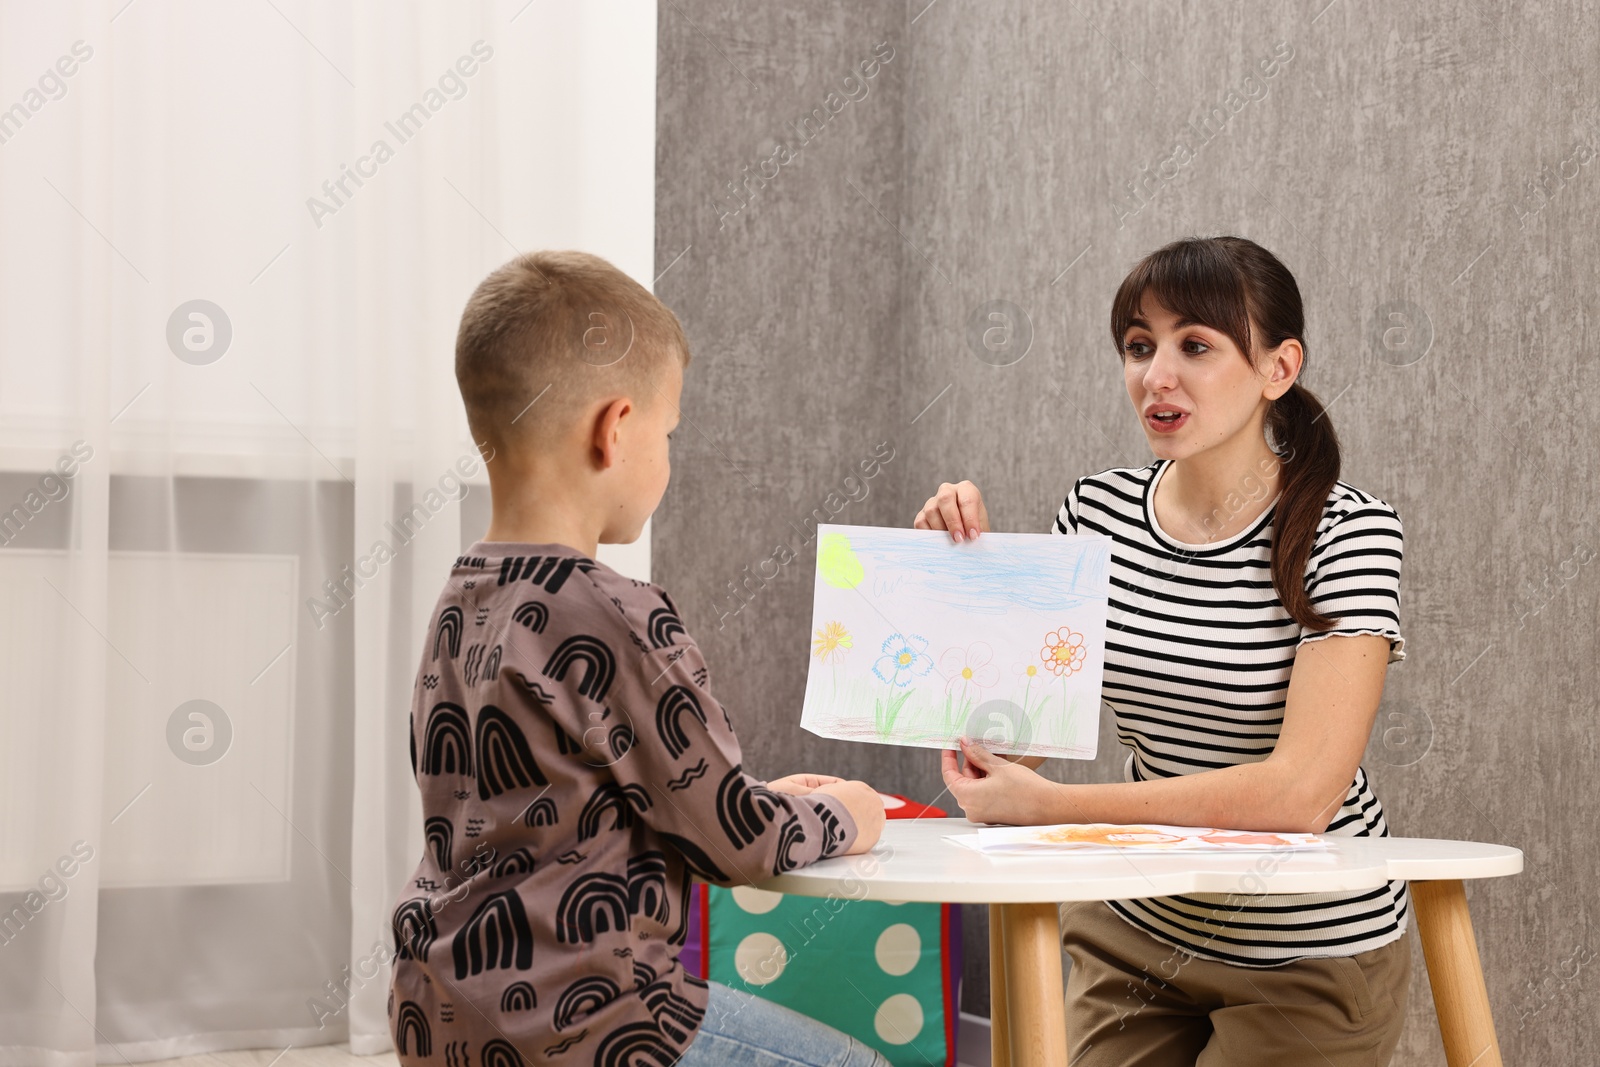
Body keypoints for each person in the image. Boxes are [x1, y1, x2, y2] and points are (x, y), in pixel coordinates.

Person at [916, 236, 1413, 1066]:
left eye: (1196, 345)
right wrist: (969, 574)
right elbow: (1015, 745)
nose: (1157, 375)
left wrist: (1056, 810)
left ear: (1278, 368)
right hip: (1134, 931)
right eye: (1139, 346)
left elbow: (1300, 796)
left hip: (1306, 949)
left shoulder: (1351, 532)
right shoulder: (1098, 511)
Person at [388, 250, 889, 1067]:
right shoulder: (615, 612)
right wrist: (851, 812)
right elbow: (743, 846)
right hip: (589, 1025)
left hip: (442, 1013)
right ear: (614, 428)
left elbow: (562, 799)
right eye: (668, 431)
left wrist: (751, 798)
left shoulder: (463, 596)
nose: (666, 454)